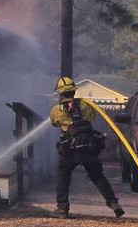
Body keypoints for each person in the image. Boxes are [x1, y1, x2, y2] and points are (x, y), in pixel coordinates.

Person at [50, 76, 123, 218]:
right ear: (74, 91)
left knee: (63, 175)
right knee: (97, 176)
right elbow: (91, 118)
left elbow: (54, 123)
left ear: (60, 93)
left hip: (69, 150)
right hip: (88, 147)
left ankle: (62, 208)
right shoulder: (85, 105)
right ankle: (114, 203)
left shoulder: (56, 109)